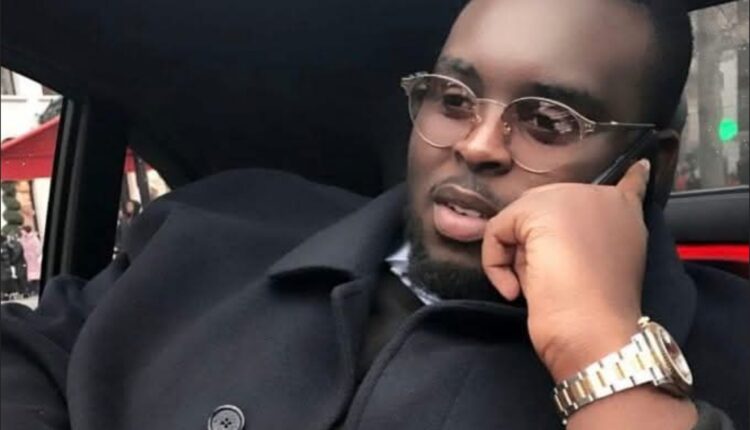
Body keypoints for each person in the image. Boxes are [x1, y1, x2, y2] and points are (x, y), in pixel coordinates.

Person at [2, 0, 748, 429]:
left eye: (549, 121)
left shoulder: (733, 347)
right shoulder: (211, 226)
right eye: (453, 99)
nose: (477, 145)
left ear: (650, 164)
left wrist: (602, 352)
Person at [18, 225, 42, 296]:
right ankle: (32, 290)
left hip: (34, 258)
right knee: (30, 275)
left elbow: (38, 247)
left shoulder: (33, 238)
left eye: (22, 231)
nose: (21, 232)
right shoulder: (22, 239)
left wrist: (36, 255)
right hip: (27, 259)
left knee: (36, 274)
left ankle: (37, 289)